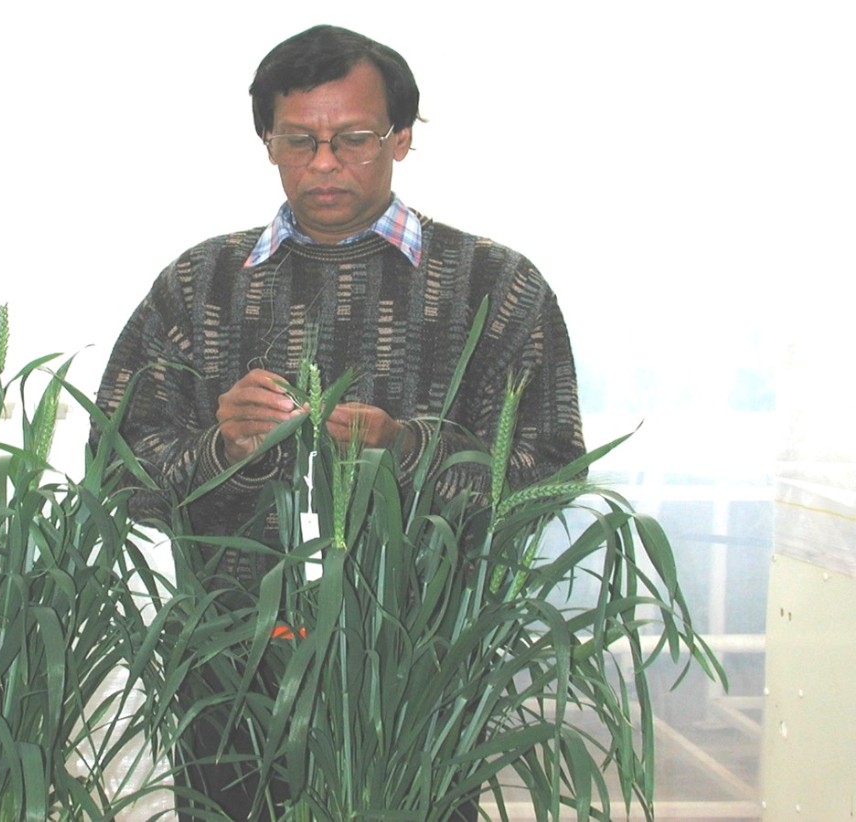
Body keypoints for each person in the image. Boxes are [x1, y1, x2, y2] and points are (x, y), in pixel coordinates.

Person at [94, 24, 584, 821]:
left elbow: (552, 471)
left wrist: (408, 450)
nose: (324, 163)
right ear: (268, 142)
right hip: (232, 684)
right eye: (300, 140)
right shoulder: (199, 284)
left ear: (402, 137)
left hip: (419, 692)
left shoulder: (496, 285)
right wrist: (226, 450)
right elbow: (116, 474)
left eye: (353, 138)